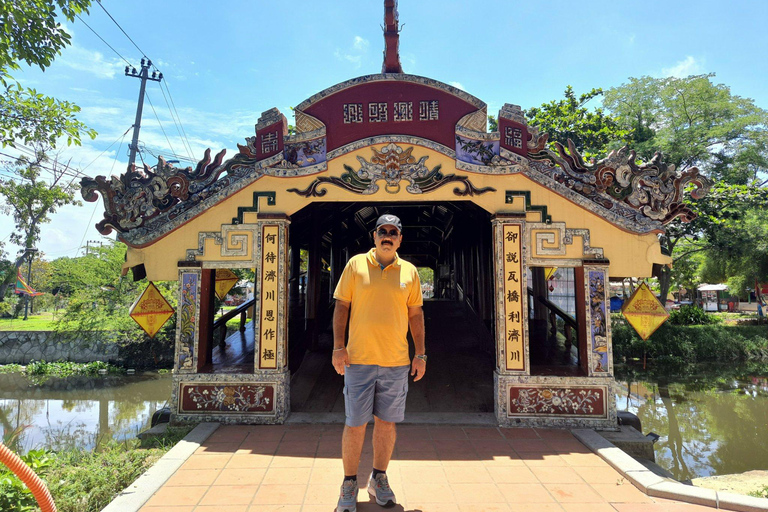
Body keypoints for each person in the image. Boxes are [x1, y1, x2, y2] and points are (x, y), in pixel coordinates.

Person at [332, 213, 426, 512]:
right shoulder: (355, 265)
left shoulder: (410, 271)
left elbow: (415, 315)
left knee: (386, 424)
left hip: (395, 361)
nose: (387, 236)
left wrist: (420, 353)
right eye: (382, 231)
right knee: (355, 423)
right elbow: (342, 306)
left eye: (393, 232)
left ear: (400, 238)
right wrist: (338, 347)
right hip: (357, 360)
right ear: (373, 236)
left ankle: (379, 478)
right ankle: (349, 484)